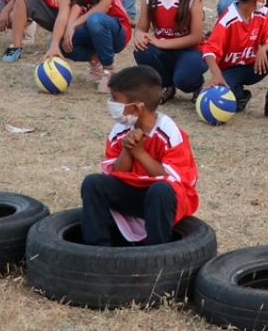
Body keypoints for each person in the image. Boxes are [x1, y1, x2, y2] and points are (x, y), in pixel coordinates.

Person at [80, 65, 199, 247]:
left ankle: (155, 252)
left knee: (160, 190)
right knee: (93, 183)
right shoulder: (120, 130)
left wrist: (139, 152)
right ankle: (98, 250)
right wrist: (128, 148)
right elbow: (117, 173)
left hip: (164, 199)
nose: (111, 102)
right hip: (133, 194)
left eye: (115, 99)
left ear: (136, 108)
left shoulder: (170, 133)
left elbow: (172, 180)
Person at [132, 0, 208, 103]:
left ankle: (196, 85)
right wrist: (139, 34)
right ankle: (166, 85)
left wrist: (161, 42)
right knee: (142, 50)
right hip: (164, 51)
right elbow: (142, 28)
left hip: (191, 51)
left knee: (185, 80)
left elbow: (195, 37)